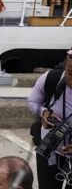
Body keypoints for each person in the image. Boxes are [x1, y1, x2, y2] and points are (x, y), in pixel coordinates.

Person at [28, 53, 72, 189]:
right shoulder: (51, 78)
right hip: (49, 149)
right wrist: (43, 113)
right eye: (70, 73)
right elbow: (32, 102)